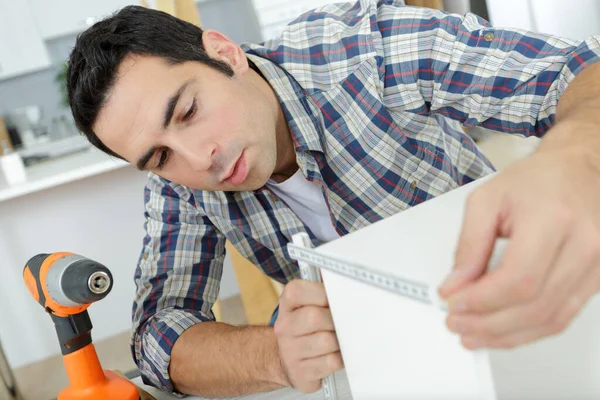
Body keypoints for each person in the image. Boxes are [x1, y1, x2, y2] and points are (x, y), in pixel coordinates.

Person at [66, 0, 600, 397]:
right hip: (388, 366)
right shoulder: (177, 179)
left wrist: (571, 156)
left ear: (225, 55)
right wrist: (273, 352)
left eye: (186, 111)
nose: (196, 158)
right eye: (158, 157)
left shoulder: (363, 50)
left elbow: (573, 73)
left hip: (531, 305)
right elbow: (159, 334)